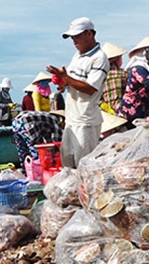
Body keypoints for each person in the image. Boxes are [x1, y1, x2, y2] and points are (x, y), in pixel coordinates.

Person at [46, 16, 110, 168]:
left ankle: (85, 192)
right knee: (68, 163)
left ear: (90, 34)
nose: (74, 41)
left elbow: (90, 88)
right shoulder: (77, 56)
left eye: (77, 36)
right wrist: (62, 81)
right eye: (72, 37)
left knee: (84, 165)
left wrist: (66, 77)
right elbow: (72, 83)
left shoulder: (99, 58)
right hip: (72, 118)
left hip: (86, 120)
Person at [100, 42, 128, 114]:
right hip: (122, 110)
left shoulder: (100, 76)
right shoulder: (123, 74)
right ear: (117, 59)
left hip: (106, 113)